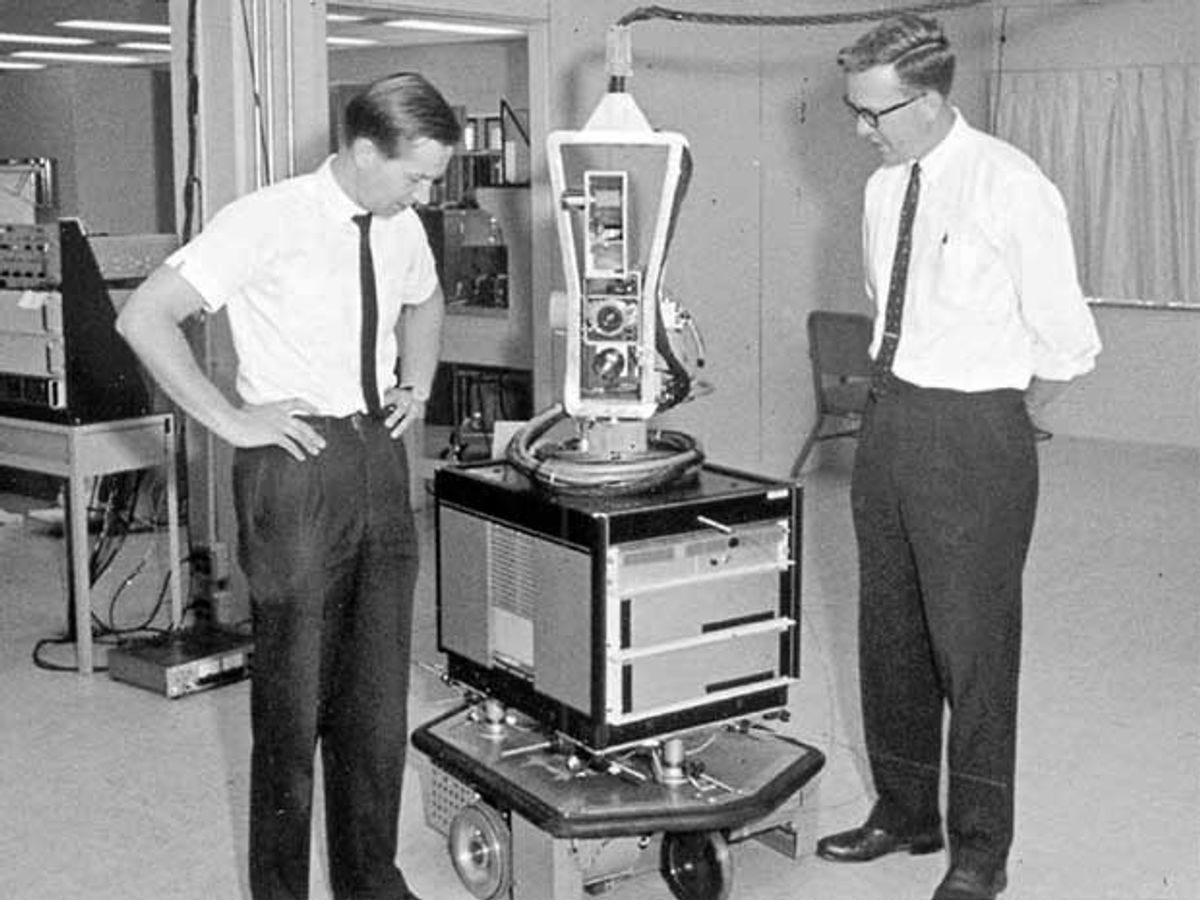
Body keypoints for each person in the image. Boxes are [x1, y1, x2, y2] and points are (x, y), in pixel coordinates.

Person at [117, 71, 460, 900]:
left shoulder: (401, 224)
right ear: (364, 150)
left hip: (379, 456)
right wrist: (230, 419)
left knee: (378, 703)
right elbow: (144, 316)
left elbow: (426, 300)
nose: (422, 193)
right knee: (293, 707)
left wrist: (416, 381)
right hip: (294, 467)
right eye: (414, 175)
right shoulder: (264, 220)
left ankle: (370, 882)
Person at [817, 15, 1101, 900]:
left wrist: (994, 422)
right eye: (855, 112)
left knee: (973, 651)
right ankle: (905, 813)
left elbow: (1066, 345)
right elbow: (883, 305)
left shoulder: (1012, 186)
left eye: (878, 113)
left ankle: (981, 852)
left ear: (934, 99)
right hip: (889, 420)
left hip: (977, 434)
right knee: (889, 637)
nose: (863, 131)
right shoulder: (878, 188)